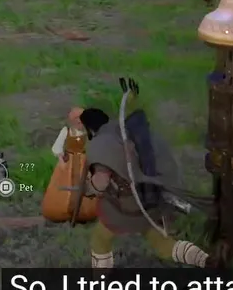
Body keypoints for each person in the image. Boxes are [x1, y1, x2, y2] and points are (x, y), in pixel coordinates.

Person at [84, 79, 211, 270]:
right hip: (149, 199)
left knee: (100, 238)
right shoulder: (128, 135)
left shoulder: (104, 144)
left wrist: (89, 187)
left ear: (91, 128)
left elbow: (101, 182)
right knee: (164, 246)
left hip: (124, 207)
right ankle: (206, 260)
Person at [42, 108, 109, 223]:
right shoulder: (66, 131)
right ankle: (64, 210)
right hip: (69, 161)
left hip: (84, 161)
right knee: (65, 184)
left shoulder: (88, 131)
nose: (79, 122)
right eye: (76, 119)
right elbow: (57, 146)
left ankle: (85, 212)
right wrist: (61, 159)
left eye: (81, 119)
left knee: (86, 184)